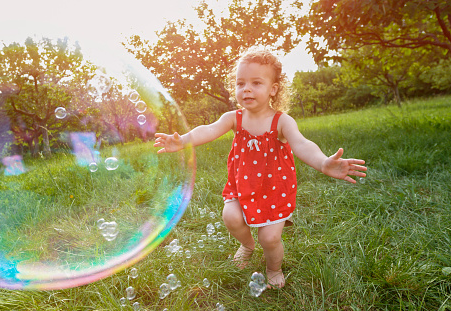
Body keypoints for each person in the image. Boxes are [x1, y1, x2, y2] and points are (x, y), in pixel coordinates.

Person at [153, 46, 367, 289]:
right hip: (241, 185)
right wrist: (183, 141)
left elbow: (302, 144)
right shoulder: (234, 118)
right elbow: (208, 129)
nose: (246, 89)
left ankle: (273, 267)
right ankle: (246, 245)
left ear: (273, 89)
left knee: (270, 237)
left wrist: (322, 162)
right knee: (231, 217)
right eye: (240, 83)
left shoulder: (281, 121)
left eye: (256, 83)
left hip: (275, 189)